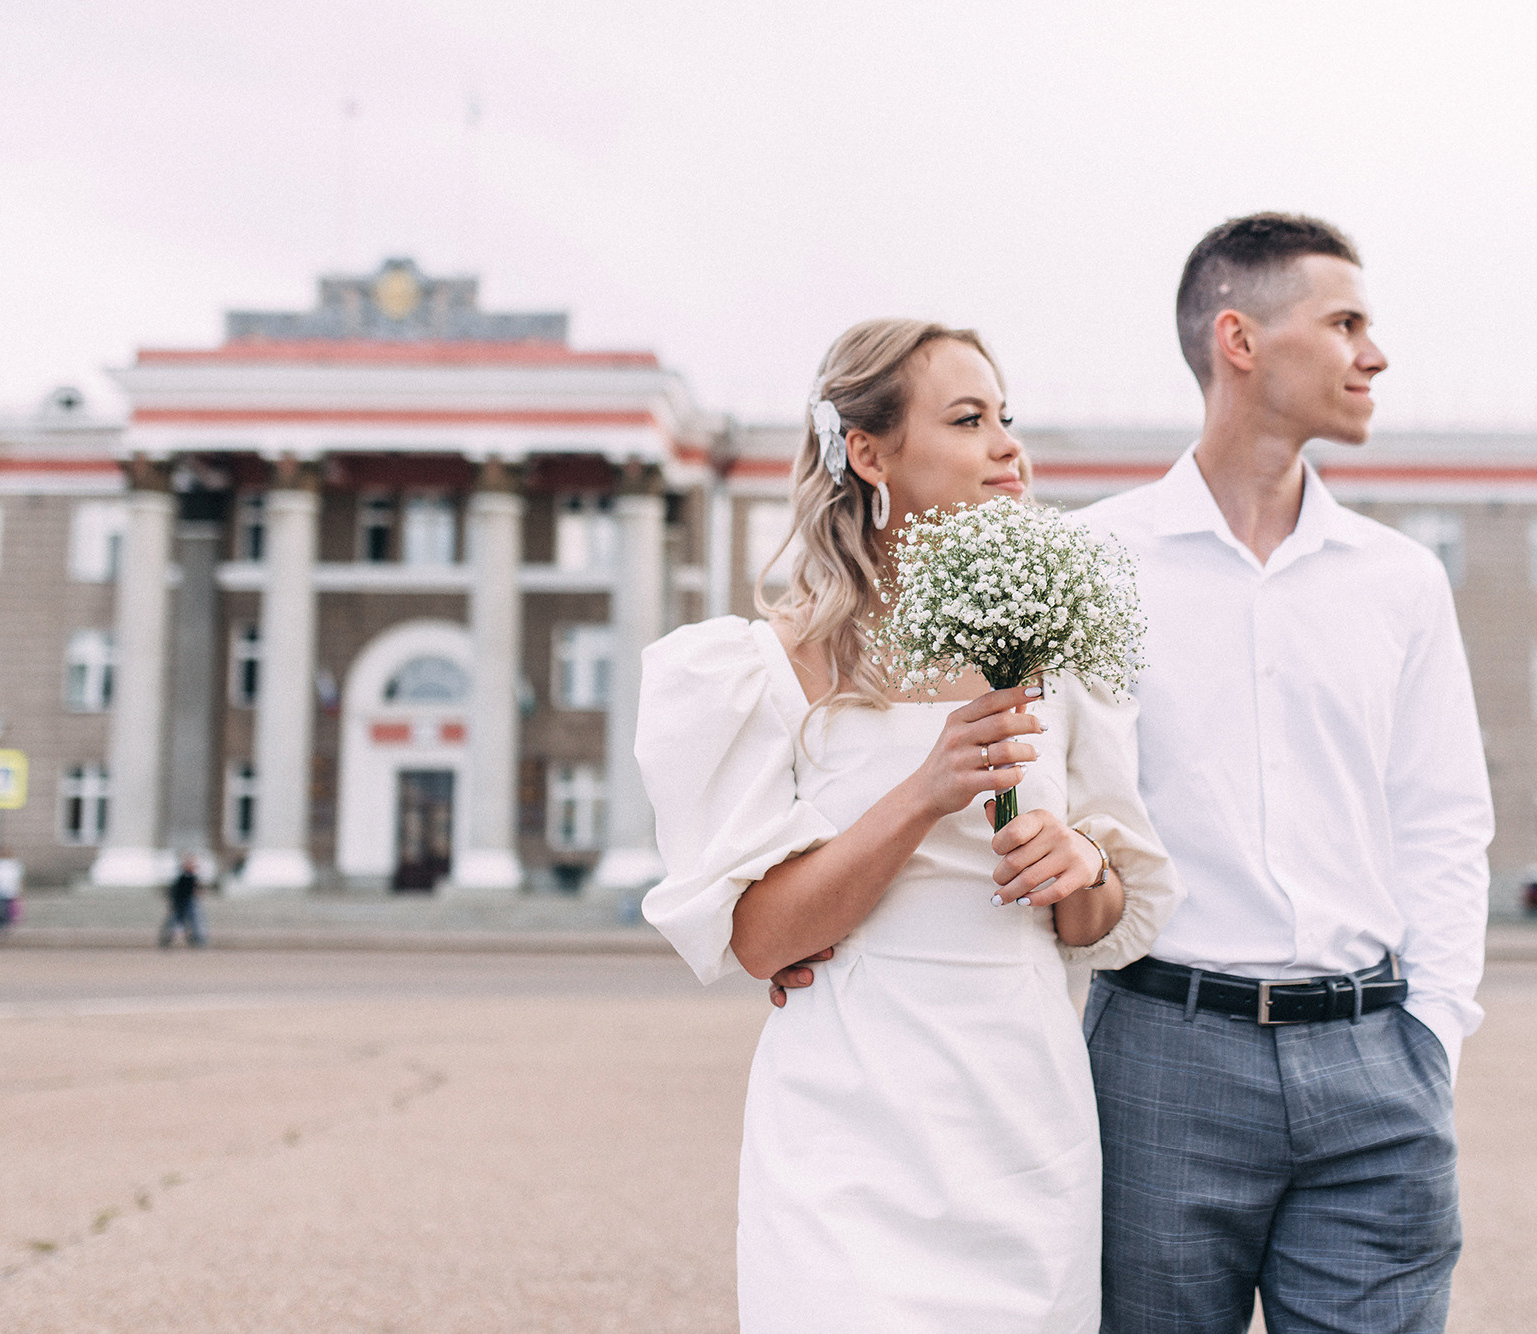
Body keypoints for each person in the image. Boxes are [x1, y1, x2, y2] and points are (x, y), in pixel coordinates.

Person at [781, 216, 1494, 1332]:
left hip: (1374, 1062)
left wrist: (1430, 1035)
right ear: (1237, 339)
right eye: (1344, 322)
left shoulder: (1400, 581)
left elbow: (1444, 818)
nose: (1374, 353)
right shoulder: (1078, 561)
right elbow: (1020, 788)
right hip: (1161, 1056)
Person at [639, 319, 1181, 1332]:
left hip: (1019, 1110)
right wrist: (924, 790)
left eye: (1005, 418)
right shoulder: (767, 665)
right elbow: (757, 936)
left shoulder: (1053, 658)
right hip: (847, 1116)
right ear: (868, 451)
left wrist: (1078, 867)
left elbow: (1105, 919)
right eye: (969, 419)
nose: (1008, 446)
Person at [159, 856, 206, 947]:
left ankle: (197, 940)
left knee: (193, 923)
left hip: (188, 903)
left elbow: (198, 891)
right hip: (179, 904)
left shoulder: (192, 879)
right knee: (173, 923)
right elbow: (175, 892)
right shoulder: (181, 878)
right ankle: (166, 940)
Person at [0, 852, 22, 932]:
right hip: (1, 891)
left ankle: (5, 924)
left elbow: (17, 879)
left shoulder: (12, 865)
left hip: (9, 891)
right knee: (0, 908)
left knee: (7, 909)